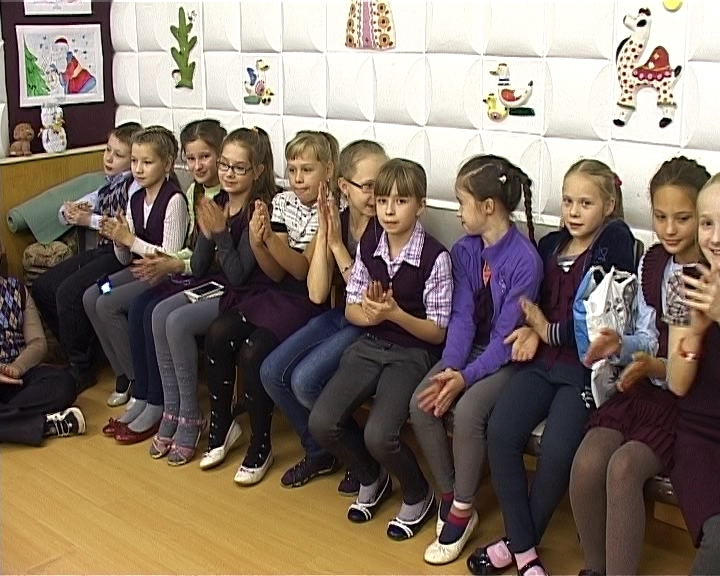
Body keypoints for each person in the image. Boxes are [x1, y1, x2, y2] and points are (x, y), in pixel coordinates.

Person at [468, 159, 636, 576]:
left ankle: (515, 545)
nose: (574, 212)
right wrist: (532, 329)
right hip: (541, 364)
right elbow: (532, 305)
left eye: (586, 203)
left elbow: (599, 326)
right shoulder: (548, 246)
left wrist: (546, 329)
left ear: (609, 205)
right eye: (567, 201)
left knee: (558, 451)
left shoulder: (613, 244)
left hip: (583, 371)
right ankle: (525, 550)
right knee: (501, 432)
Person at [569, 156, 710, 576]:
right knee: (589, 460)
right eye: (660, 216)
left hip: (688, 401)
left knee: (625, 468)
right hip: (648, 384)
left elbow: (687, 371)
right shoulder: (654, 263)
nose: (669, 229)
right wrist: (622, 345)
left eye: (683, 218)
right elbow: (648, 336)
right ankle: (594, 567)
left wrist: (655, 366)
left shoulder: (707, 275)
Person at [309, 158, 453, 541]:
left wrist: (395, 314)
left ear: (420, 206)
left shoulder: (435, 257)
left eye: (401, 201)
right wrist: (371, 315)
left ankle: (419, 494)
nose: (389, 210)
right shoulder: (371, 242)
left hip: (413, 353)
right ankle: (372, 477)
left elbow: (437, 332)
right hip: (371, 343)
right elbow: (352, 308)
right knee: (322, 421)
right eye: (384, 200)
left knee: (379, 434)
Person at [410, 155, 543, 564]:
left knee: (468, 411)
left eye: (461, 202)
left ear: (488, 206)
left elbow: (505, 339)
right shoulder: (465, 250)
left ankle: (463, 509)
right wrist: (451, 368)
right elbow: (462, 316)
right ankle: (451, 492)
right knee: (423, 401)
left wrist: (465, 379)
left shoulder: (525, 261)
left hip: (505, 359)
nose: (457, 212)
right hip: (468, 352)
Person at [199, 130, 338, 486]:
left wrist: (268, 241)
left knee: (253, 350)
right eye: (292, 170)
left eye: (307, 170)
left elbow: (302, 270)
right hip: (275, 290)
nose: (298, 178)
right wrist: (259, 242)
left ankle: (260, 445)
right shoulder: (283, 202)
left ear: (328, 170)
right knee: (218, 332)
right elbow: (274, 271)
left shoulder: (333, 209)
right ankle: (222, 426)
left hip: (306, 300)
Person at [260, 139, 388, 494]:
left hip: (374, 325)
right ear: (344, 186)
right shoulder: (337, 218)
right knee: (272, 372)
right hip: (342, 315)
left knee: (304, 381)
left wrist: (335, 247)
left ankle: (363, 460)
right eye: (368, 186)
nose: (379, 195)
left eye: (382, 184)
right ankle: (321, 451)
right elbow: (316, 292)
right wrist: (327, 232)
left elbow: (368, 297)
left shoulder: (388, 227)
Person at [147, 126, 276, 465]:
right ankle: (173, 409)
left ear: (257, 171)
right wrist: (207, 234)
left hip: (248, 295)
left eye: (238, 167)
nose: (228, 174)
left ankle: (192, 415)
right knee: (159, 313)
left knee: (176, 322)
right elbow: (200, 267)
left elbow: (239, 276)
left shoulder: (258, 209)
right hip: (218, 285)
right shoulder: (218, 202)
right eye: (224, 165)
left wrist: (220, 233)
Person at [83, 126, 189, 443]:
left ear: (167, 164)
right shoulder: (136, 198)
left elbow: (168, 255)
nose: (139, 169)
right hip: (136, 270)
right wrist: (119, 238)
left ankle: (141, 386)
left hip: (162, 276)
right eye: (135, 162)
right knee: (94, 294)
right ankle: (126, 375)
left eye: (147, 162)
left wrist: (130, 239)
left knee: (108, 303)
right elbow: (124, 257)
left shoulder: (174, 200)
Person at [115, 118, 227, 415]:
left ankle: (164, 403)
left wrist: (174, 263)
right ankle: (146, 394)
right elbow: (190, 247)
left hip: (208, 277)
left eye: (205, 157)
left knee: (155, 311)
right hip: (186, 269)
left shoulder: (215, 195)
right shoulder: (194, 192)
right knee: (139, 305)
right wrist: (171, 261)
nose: (197, 166)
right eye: (191, 159)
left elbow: (207, 259)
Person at [31, 122, 142, 392]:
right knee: (43, 287)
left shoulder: (135, 187)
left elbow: (127, 227)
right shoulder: (107, 185)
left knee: (70, 292)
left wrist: (88, 219)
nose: (109, 158)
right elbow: (69, 212)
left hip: (122, 256)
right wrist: (69, 211)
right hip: (102, 251)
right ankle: (82, 351)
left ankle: (81, 367)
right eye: (108, 150)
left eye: (118, 155)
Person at [665, 173, 720, 575]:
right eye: (707, 223)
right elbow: (677, 383)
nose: (715, 238)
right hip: (701, 437)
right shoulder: (685, 283)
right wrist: (697, 336)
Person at [0, 272, 84, 446]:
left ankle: (9, 421)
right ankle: (46, 425)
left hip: (20, 375)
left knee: (65, 383)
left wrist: (17, 367)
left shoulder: (17, 289)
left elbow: (38, 342)